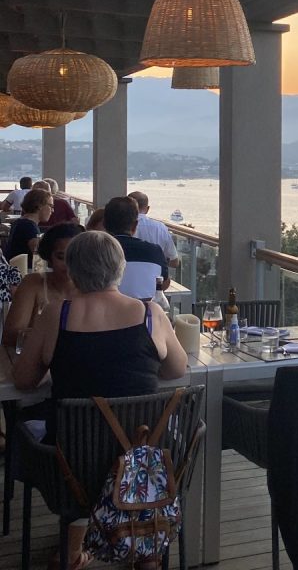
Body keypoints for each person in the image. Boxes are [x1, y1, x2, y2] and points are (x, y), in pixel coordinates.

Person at [13, 230, 187, 570]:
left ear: (74, 271)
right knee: (137, 434)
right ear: (120, 268)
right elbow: (177, 370)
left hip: (73, 466)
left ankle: (74, 546)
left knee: (27, 428)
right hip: (144, 466)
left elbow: (24, 380)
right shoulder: (151, 315)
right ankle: (145, 549)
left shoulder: (57, 315)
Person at [2, 223, 84, 348]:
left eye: (76, 257)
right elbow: (10, 336)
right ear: (49, 258)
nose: (69, 264)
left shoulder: (93, 288)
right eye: (61, 257)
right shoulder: (33, 284)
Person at [103, 197, 169, 295]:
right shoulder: (154, 251)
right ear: (135, 225)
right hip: (145, 308)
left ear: (105, 225)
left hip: (106, 308)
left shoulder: (97, 251)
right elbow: (164, 283)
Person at [128, 191, 180, 270]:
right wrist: (158, 260)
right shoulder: (160, 228)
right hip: (155, 279)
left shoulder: (121, 225)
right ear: (147, 208)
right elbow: (175, 262)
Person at [3, 188, 54, 262]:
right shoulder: (29, 227)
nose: (52, 210)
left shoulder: (20, 222)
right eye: (50, 206)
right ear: (39, 206)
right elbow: (39, 256)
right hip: (22, 271)